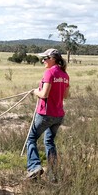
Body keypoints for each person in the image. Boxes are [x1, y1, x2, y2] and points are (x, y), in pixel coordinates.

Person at [25, 48, 70, 179]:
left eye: (45, 58)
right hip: (59, 115)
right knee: (49, 141)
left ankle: (34, 167)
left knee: (31, 139)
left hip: (45, 114)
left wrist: (35, 92)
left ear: (53, 59)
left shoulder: (49, 73)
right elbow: (65, 96)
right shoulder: (64, 75)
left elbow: (44, 94)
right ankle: (52, 174)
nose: (43, 60)